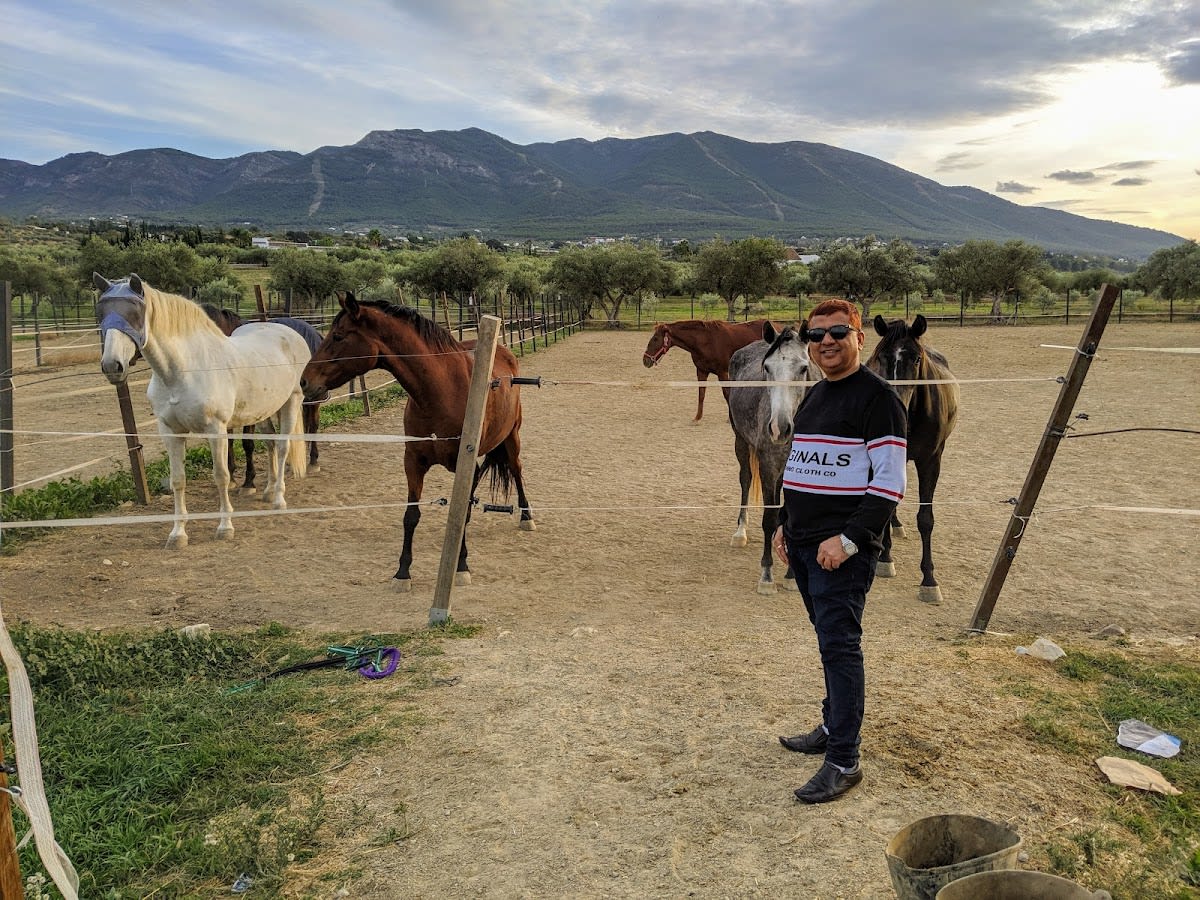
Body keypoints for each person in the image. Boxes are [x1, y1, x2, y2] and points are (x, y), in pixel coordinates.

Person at [772, 298, 908, 804]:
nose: (825, 342)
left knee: (840, 645)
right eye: (816, 335)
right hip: (805, 544)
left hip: (841, 551)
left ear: (858, 338)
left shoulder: (878, 399)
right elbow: (799, 464)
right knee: (828, 640)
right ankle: (833, 728)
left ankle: (845, 759)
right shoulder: (815, 396)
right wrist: (785, 524)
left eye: (836, 333)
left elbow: (890, 483)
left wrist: (849, 539)